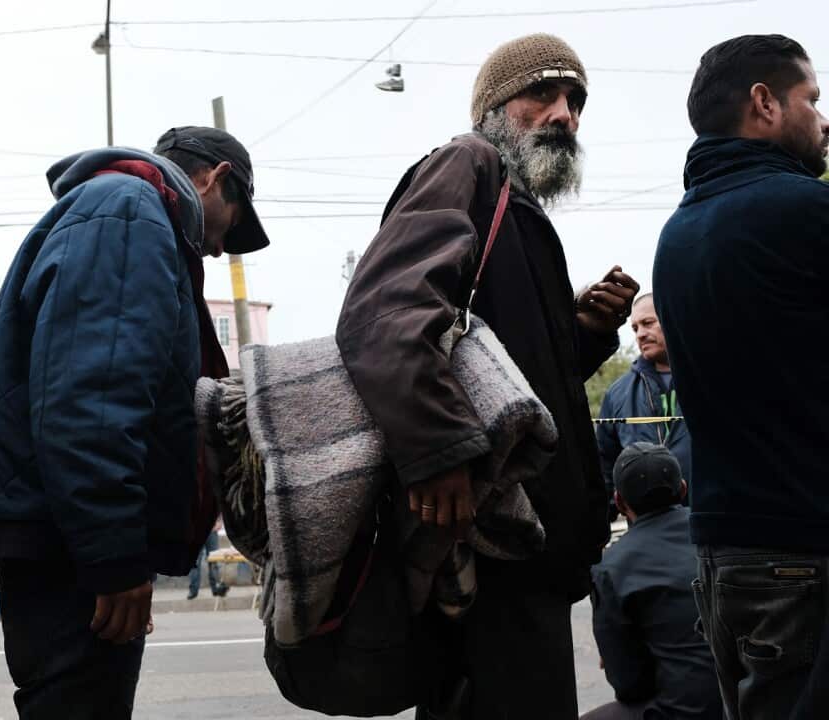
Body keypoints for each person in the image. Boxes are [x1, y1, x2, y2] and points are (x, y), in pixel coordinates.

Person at [336, 34, 639, 718]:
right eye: (543, 94)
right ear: (494, 108)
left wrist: (584, 332)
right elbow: (384, 313)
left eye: (575, 101)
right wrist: (438, 450)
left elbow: (519, 381)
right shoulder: (466, 163)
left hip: (523, 546)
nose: (564, 114)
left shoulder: (515, 204)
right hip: (487, 535)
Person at [0, 126, 267, 719]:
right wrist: (114, 556)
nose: (218, 248)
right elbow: (91, 401)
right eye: (231, 226)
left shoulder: (120, 212)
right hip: (72, 552)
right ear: (216, 178)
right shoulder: (129, 213)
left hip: (66, 540)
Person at [653, 34, 829, 720]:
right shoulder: (802, 211)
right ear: (765, 103)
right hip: (805, 551)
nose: (823, 121)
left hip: (724, 556)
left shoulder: (679, 231)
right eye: (811, 100)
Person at [583, 443, 722, 720]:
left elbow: (629, 685)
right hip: (750, 701)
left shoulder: (611, 569)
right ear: (683, 489)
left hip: (684, 711)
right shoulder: (720, 535)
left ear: (620, 502)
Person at [595, 293, 692, 507]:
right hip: (647, 521)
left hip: (710, 517)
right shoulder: (617, 394)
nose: (640, 334)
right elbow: (604, 464)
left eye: (648, 323)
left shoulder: (708, 377)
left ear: (671, 318)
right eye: (635, 328)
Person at [186, 519, 227, 600]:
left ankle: (216, 588)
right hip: (196, 531)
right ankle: (193, 590)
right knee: (194, 562)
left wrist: (220, 521)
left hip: (211, 530)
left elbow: (220, 509)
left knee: (214, 560)